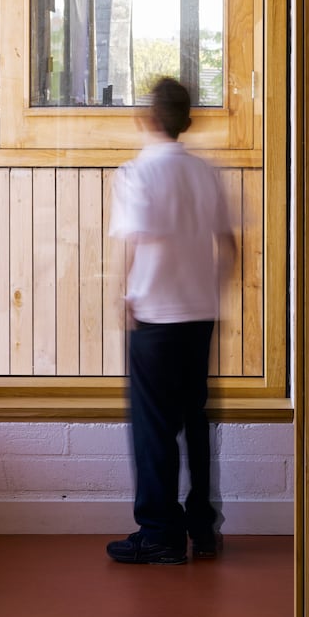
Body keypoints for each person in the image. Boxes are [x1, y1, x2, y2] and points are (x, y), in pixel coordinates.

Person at [106, 77, 236, 565]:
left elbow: (135, 242)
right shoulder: (206, 173)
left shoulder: (137, 173)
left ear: (149, 119)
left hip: (155, 314)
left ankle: (159, 533)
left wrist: (126, 295)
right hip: (199, 315)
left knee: (153, 427)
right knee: (195, 421)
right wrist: (209, 290)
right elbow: (230, 248)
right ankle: (202, 528)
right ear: (186, 120)